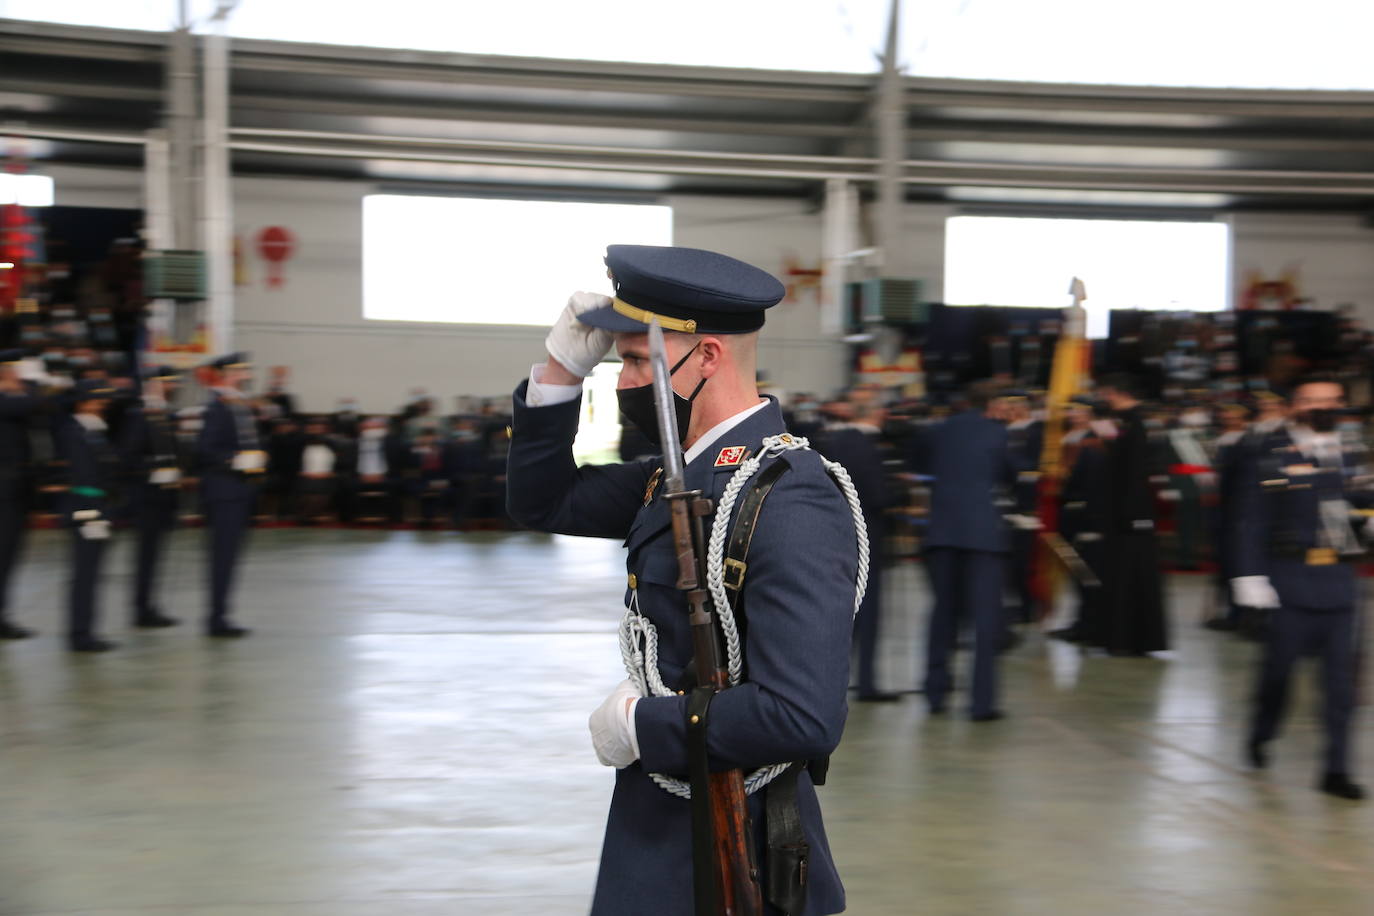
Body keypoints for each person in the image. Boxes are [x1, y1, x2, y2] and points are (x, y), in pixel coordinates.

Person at [506, 244, 860, 915]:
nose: (625, 380)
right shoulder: (676, 475)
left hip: (740, 843)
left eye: (639, 359)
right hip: (661, 826)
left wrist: (645, 726)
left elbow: (803, 715)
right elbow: (542, 501)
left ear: (707, 357)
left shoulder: (787, 495)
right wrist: (559, 374)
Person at [1231, 376, 1372, 800]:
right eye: (1310, 401)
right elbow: (1251, 519)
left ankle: (1336, 770)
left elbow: (1362, 507)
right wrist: (1249, 579)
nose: (1320, 408)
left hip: (1340, 583)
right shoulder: (1269, 454)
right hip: (1287, 580)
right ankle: (1262, 731)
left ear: (1342, 404)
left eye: (1329, 401)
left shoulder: (1353, 452)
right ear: (1295, 406)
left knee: (1341, 688)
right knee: (1278, 674)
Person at [916, 380, 1018, 720]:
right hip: (982, 536)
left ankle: (935, 693)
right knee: (985, 621)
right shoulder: (997, 432)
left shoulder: (939, 430)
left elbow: (924, 469)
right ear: (991, 406)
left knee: (942, 615)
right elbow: (1009, 474)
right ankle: (981, 703)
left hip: (942, 532)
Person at [816, 400, 897, 702]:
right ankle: (867, 682)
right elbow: (878, 495)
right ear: (876, 412)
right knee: (869, 612)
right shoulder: (869, 448)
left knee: (838, 614)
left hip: (834, 538)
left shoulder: (833, 442)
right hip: (868, 538)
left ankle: (831, 680)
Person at [1095, 373, 1169, 656]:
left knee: (1130, 577)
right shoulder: (1130, 421)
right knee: (1124, 577)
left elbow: (1137, 471)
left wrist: (1132, 515)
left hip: (1132, 514)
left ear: (1114, 392)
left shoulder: (1137, 423)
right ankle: (1123, 637)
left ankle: (1128, 639)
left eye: (1106, 395)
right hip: (1126, 512)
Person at [196, 353, 263, 638]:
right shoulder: (218, 407)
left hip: (239, 490)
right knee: (223, 557)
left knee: (230, 557)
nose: (246, 372)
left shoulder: (237, 404)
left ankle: (222, 614)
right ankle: (216, 618)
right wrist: (235, 460)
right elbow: (204, 449)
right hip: (224, 491)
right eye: (242, 369)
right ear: (228, 372)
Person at [54, 378, 121, 651]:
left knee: (93, 573)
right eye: (96, 400)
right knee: (85, 573)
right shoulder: (74, 431)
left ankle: (86, 630)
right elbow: (82, 475)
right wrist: (91, 512)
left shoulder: (94, 430)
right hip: (86, 509)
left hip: (98, 507)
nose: (101, 404)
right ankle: (80, 634)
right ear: (82, 402)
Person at [119, 366, 184, 628]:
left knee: (155, 556)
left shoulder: (164, 414)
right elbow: (128, 457)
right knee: (147, 556)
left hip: (164, 497)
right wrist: (154, 472)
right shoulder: (139, 415)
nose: (173, 387)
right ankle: (141, 609)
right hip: (146, 496)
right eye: (168, 383)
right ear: (154, 384)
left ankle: (149, 605)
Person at [0, 350, 45, 639]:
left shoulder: (15, 398)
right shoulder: (9, 401)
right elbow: (33, 404)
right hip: (3, 491)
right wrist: (31, 385)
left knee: (9, 556)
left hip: (16, 491)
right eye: (16, 371)